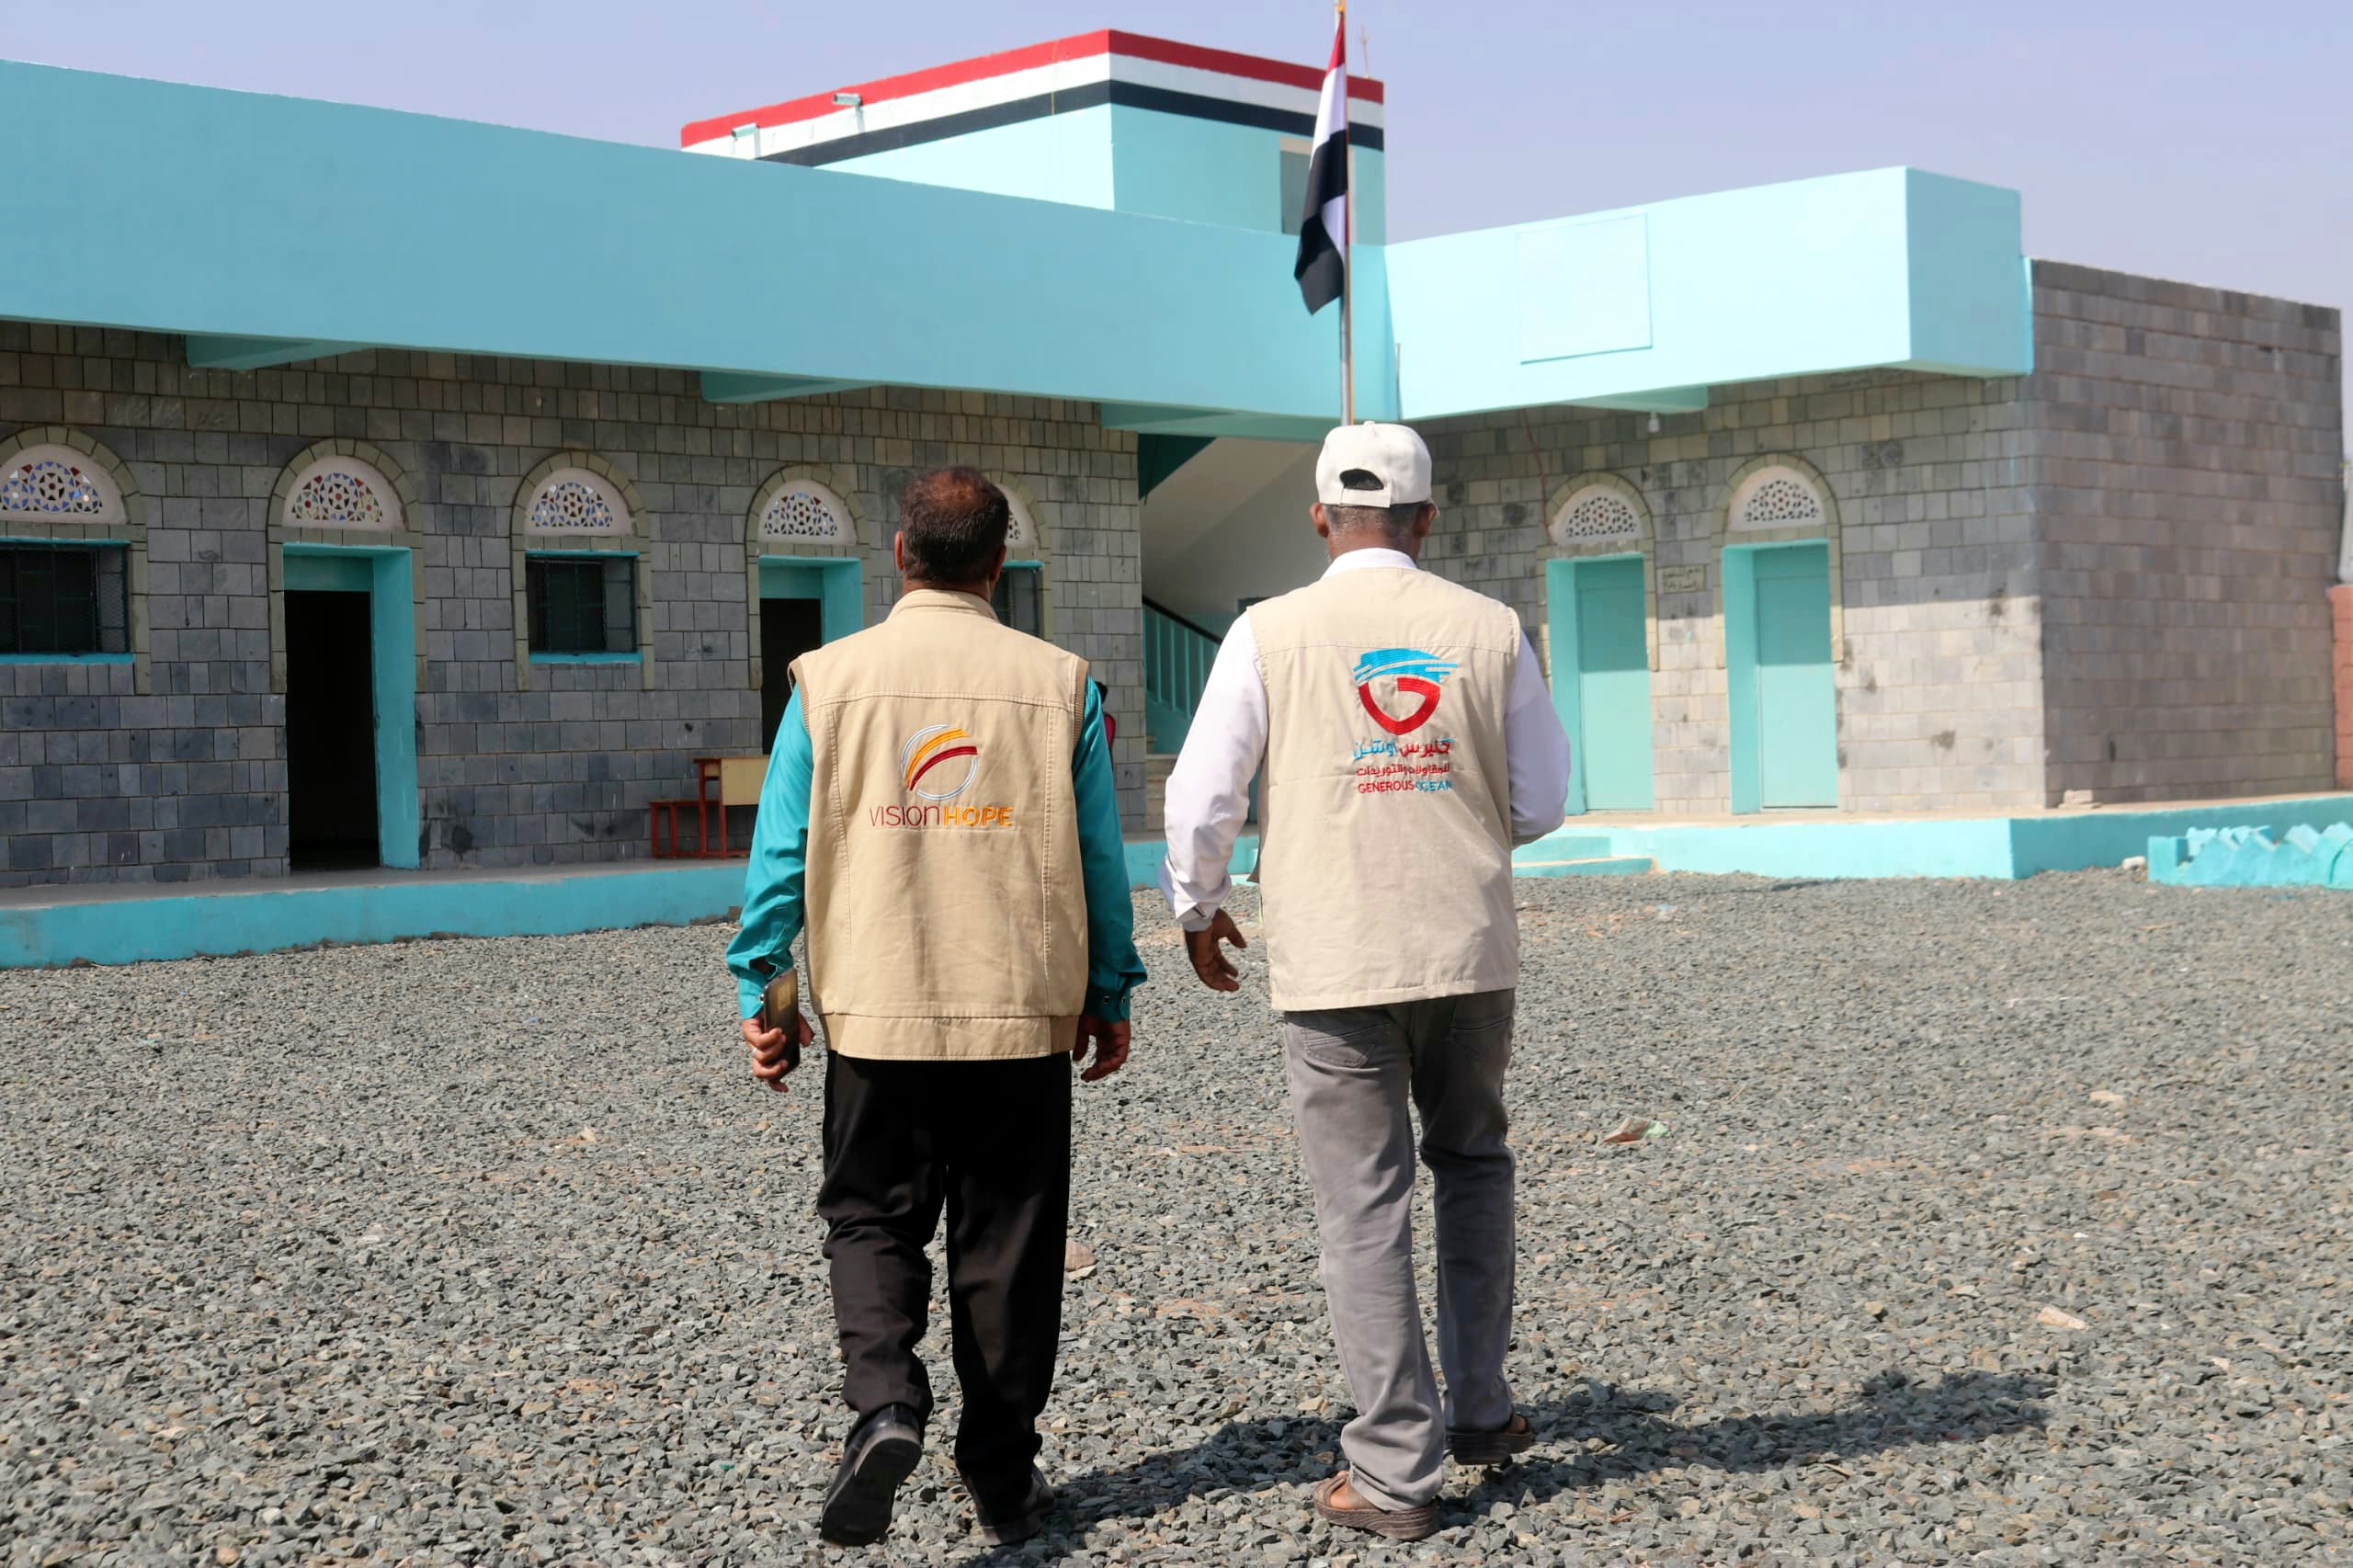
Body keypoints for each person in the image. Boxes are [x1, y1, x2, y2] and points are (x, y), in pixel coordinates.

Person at [1159, 423, 1571, 1541]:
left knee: (1363, 1202)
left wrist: (1198, 905)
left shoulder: (1267, 631)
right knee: (1472, 1164)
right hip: (1465, 947)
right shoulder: (1489, 628)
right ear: (1425, 518)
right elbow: (1540, 800)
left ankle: (1394, 1465)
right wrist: (1451, 819)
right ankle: (1479, 1408)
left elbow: (1202, 796)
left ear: (1318, 518)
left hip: (1334, 955)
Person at [729, 466, 1146, 1549]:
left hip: (877, 1011)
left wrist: (768, 991)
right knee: (1008, 1244)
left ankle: (885, 1404)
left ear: (900, 554)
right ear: (999, 563)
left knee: (871, 1215)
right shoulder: (1060, 684)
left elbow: (781, 859)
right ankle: (1002, 1477)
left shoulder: (828, 681)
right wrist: (1108, 989)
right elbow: (1099, 859)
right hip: (1018, 1012)